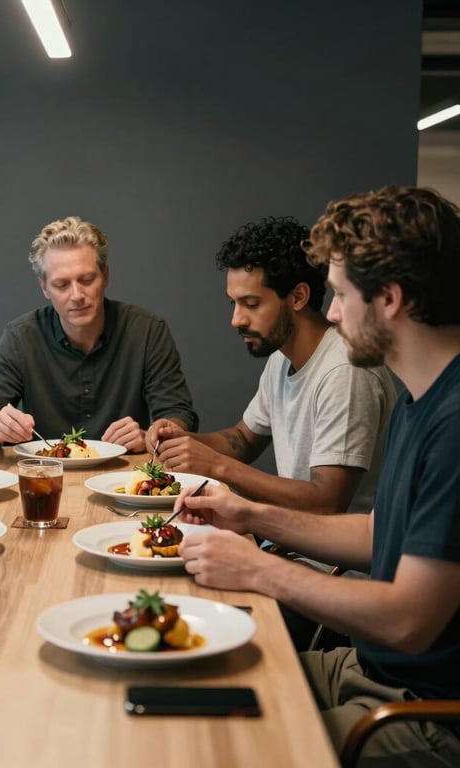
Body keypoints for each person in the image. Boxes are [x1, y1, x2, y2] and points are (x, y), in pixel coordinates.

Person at [176, 186, 460, 767]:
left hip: (424, 713)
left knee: (226, 753)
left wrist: (259, 569)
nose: (330, 313)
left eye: (341, 295)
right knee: (196, 683)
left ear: (390, 299)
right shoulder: (422, 397)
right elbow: (378, 532)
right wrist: (248, 514)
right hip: (366, 666)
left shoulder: (454, 422)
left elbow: (408, 620)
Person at [147, 216, 396, 516]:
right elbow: (243, 440)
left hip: (325, 548)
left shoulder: (346, 371)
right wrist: (181, 441)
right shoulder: (281, 358)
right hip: (285, 535)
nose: (236, 320)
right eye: (234, 304)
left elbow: (326, 502)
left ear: (298, 297)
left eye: (251, 304)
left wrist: (216, 466)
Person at [0, 216, 198, 452]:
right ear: (44, 288)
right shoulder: (21, 337)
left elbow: (178, 415)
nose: (76, 296)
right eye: (61, 285)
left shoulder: (146, 330)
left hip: (127, 471)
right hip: (45, 470)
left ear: (105, 276)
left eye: (87, 279)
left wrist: (149, 436)